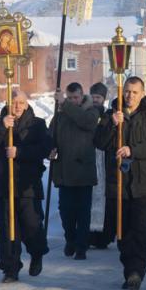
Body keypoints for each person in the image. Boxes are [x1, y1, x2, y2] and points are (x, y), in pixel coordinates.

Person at [97, 77, 146, 290]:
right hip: (119, 183)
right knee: (123, 229)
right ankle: (129, 270)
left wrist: (132, 150)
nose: (130, 96)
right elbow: (98, 142)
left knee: (139, 227)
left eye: (134, 92)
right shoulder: (111, 115)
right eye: (127, 91)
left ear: (142, 94)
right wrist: (111, 125)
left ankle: (137, 271)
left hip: (144, 182)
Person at [0, 90, 51, 283]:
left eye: (21, 102)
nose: (17, 106)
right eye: (14, 102)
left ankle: (37, 253)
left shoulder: (37, 125)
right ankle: (10, 268)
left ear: (27, 104)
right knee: (7, 229)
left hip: (27, 186)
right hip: (3, 186)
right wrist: (2, 127)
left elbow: (45, 149)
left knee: (31, 225)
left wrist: (20, 152)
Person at [49, 82, 99, 261]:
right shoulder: (60, 116)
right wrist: (50, 149)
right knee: (66, 211)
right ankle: (70, 239)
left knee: (83, 212)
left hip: (83, 172)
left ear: (82, 96)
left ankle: (81, 246)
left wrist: (64, 104)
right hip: (64, 172)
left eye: (75, 97)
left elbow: (86, 122)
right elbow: (50, 136)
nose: (72, 101)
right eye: (69, 98)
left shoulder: (91, 112)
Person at [88, 82, 110, 249]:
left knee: (103, 198)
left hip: (103, 158)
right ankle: (89, 234)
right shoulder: (86, 113)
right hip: (89, 158)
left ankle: (102, 236)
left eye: (99, 97)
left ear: (104, 99)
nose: (96, 100)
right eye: (94, 97)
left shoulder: (108, 115)